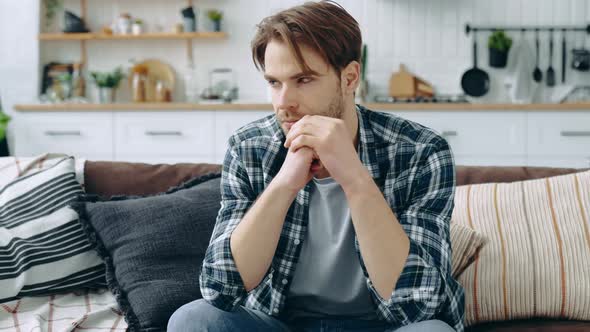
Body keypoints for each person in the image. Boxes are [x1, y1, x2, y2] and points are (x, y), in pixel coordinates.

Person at [168, 1, 464, 331]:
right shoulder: (249, 146)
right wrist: (283, 185)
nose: (284, 102)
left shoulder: (421, 151)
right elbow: (220, 288)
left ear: (349, 77)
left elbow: (419, 302)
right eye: (274, 82)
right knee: (193, 320)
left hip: (382, 325)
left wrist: (354, 177)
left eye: (304, 80)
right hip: (281, 323)